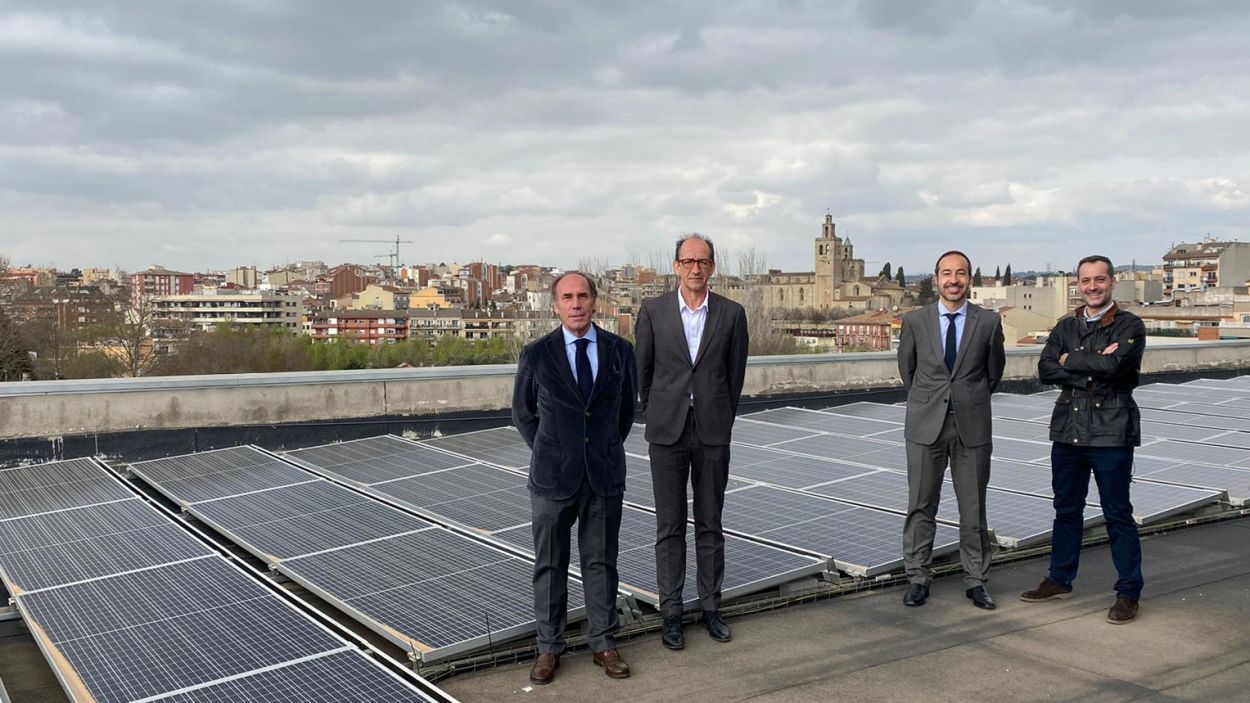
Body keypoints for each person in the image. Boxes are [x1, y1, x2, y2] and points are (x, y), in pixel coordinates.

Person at [512, 271, 636, 684]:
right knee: (550, 564)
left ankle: (603, 643)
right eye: (568, 297)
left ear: (595, 301)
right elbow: (523, 414)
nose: (576, 303)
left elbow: (624, 415)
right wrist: (553, 450)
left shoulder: (620, 351)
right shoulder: (536, 354)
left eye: (583, 295)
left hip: (603, 476)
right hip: (552, 480)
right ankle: (549, 648)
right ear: (555, 305)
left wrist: (596, 449)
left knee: (601, 563)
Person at [635, 233, 749, 650]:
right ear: (676, 266)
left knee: (710, 523)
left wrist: (718, 415)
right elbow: (642, 374)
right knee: (669, 527)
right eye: (688, 261)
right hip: (667, 433)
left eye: (703, 261)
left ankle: (711, 609)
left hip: (713, 432)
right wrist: (662, 412)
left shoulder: (733, 314)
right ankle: (672, 615)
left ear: (712, 267)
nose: (696, 267)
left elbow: (733, 377)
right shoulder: (653, 312)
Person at [1021, 255, 1146, 624]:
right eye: (1085, 280)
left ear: (1112, 282)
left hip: (1111, 432)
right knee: (1066, 509)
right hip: (1068, 433)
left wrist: (1070, 361)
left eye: (1099, 280)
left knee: (1118, 514)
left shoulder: (1130, 325)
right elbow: (1045, 369)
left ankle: (1128, 592)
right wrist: (1090, 368)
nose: (1092, 286)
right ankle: (1060, 579)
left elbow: (1117, 367)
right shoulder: (1065, 325)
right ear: (1078, 283)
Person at [897, 250, 1005, 609]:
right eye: (947, 273)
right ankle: (917, 577)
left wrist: (966, 399)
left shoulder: (988, 322)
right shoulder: (915, 322)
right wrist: (932, 401)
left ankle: (976, 581)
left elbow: (993, 373)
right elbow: (908, 373)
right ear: (935, 279)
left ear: (969, 279)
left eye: (960, 273)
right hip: (925, 426)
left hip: (972, 427)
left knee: (973, 509)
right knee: (920, 505)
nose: (953, 280)